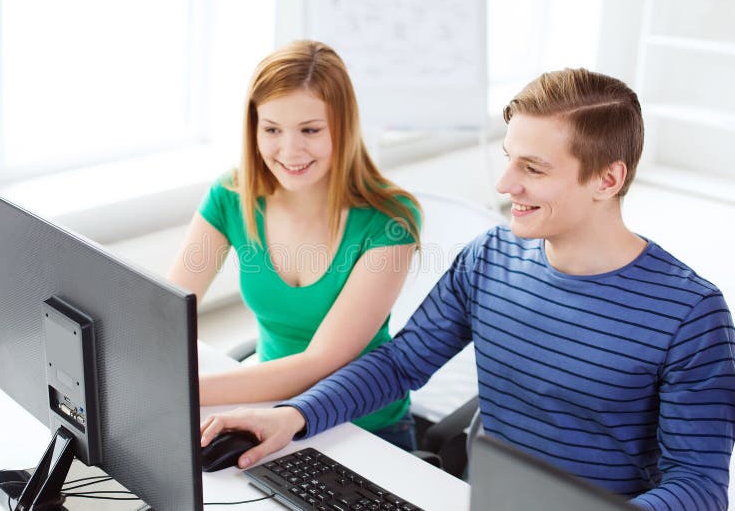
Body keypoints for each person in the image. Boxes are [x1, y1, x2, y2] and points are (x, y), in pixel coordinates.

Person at [199, 68, 735, 510]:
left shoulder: (690, 314)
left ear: (608, 180)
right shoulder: (490, 256)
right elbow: (399, 363)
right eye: (508, 158)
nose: (505, 185)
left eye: (534, 168)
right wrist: (290, 416)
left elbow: (698, 486)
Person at [167, 40, 422, 450]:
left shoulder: (390, 220)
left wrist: (184, 391)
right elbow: (166, 310)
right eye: (271, 130)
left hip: (365, 431)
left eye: (310, 130)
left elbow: (320, 362)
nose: (289, 150)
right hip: (267, 415)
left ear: (344, 126)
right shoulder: (233, 195)